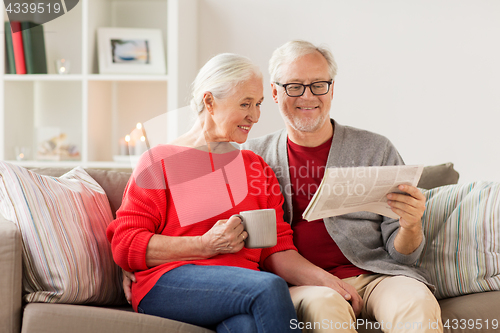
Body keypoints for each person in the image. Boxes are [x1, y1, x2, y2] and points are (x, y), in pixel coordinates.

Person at [241, 40, 443, 333]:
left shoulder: (375, 149)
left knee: (415, 303)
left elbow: (403, 256)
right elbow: (258, 248)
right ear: (274, 92)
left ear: (332, 89)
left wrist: (411, 225)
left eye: (319, 85)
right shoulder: (253, 155)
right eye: (294, 86)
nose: (308, 96)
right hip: (302, 284)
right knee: (326, 307)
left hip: (377, 275)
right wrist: (325, 282)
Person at [107, 53, 301, 333]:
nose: (255, 116)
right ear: (209, 102)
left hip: (240, 288)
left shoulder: (256, 168)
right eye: (245, 104)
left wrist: (332, 283)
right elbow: (125, 243)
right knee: (269, 286)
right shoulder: (160, 161)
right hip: (169, 282)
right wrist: (205, 245)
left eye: (258, 104)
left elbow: (279, 249)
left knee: (246, 327)